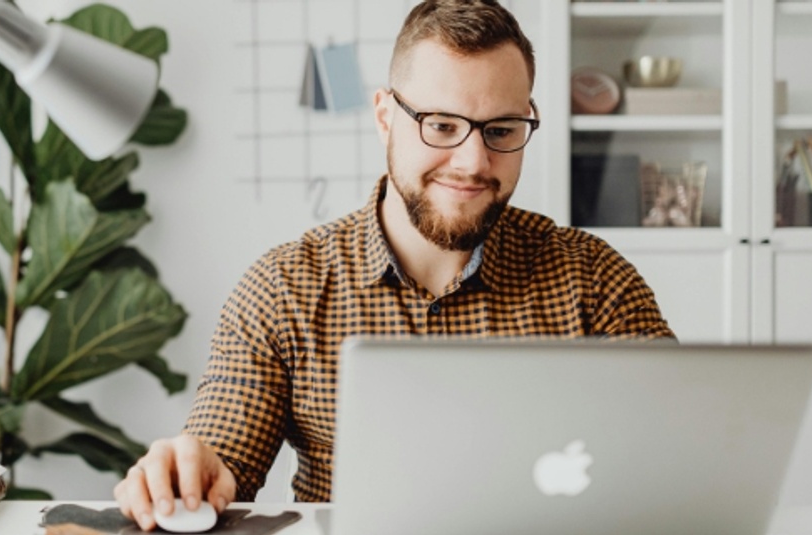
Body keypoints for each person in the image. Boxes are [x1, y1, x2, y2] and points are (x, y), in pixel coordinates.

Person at [113, 0, 675, 530]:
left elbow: (685, 451)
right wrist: (188, 473)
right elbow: (222, 455)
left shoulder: (594, 278)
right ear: (386, 116)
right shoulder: (285, 286)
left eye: (501, 130)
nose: (474, 162)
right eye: (441, 124)